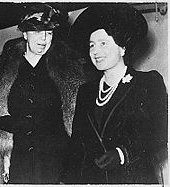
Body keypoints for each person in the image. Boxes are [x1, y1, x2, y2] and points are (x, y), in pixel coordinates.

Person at [0, 3, 86, 184]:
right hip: (15, 161)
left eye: (49, 32)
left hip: (55, 164)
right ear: (24, 33)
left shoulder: (68, 71)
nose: (44, 38)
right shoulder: (3, 70)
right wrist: (7, 124)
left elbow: (79, 122)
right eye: (37, 31)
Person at [61, 3, 168, 184]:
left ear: (122, 48)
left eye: (103, 43)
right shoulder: (85, 91)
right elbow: (77, 145)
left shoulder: (147, 83)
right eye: (91, 45)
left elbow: (159, 135)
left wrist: (121, 154)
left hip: (132, 178)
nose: (96, 51)